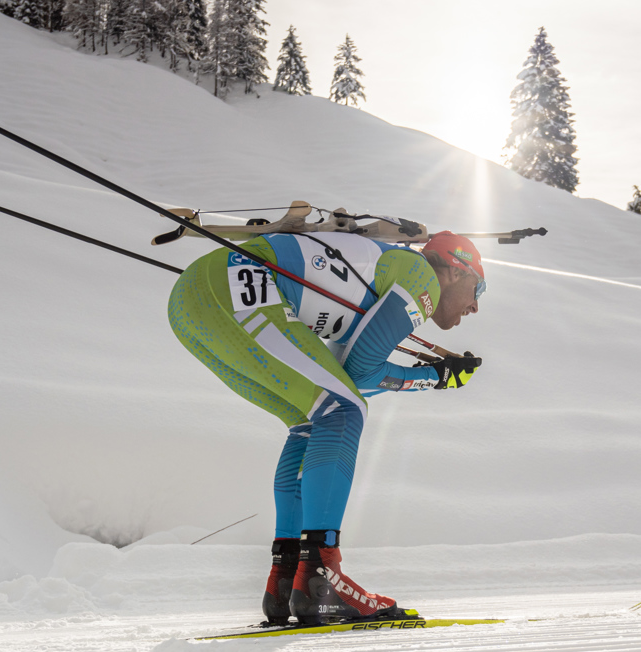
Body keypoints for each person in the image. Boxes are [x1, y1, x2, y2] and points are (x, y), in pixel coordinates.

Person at [167, 229, 484, 626]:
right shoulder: (420, 278)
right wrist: (431, 378)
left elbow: (349, 377)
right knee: (341, 412)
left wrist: (432, 376)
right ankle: (320, 575)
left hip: (192, 302)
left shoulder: (383, 277)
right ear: (455, 271)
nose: (475, 306)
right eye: (479, 288)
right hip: (236, 285)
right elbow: (361, 376)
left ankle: (287, 579)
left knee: (312, 418)